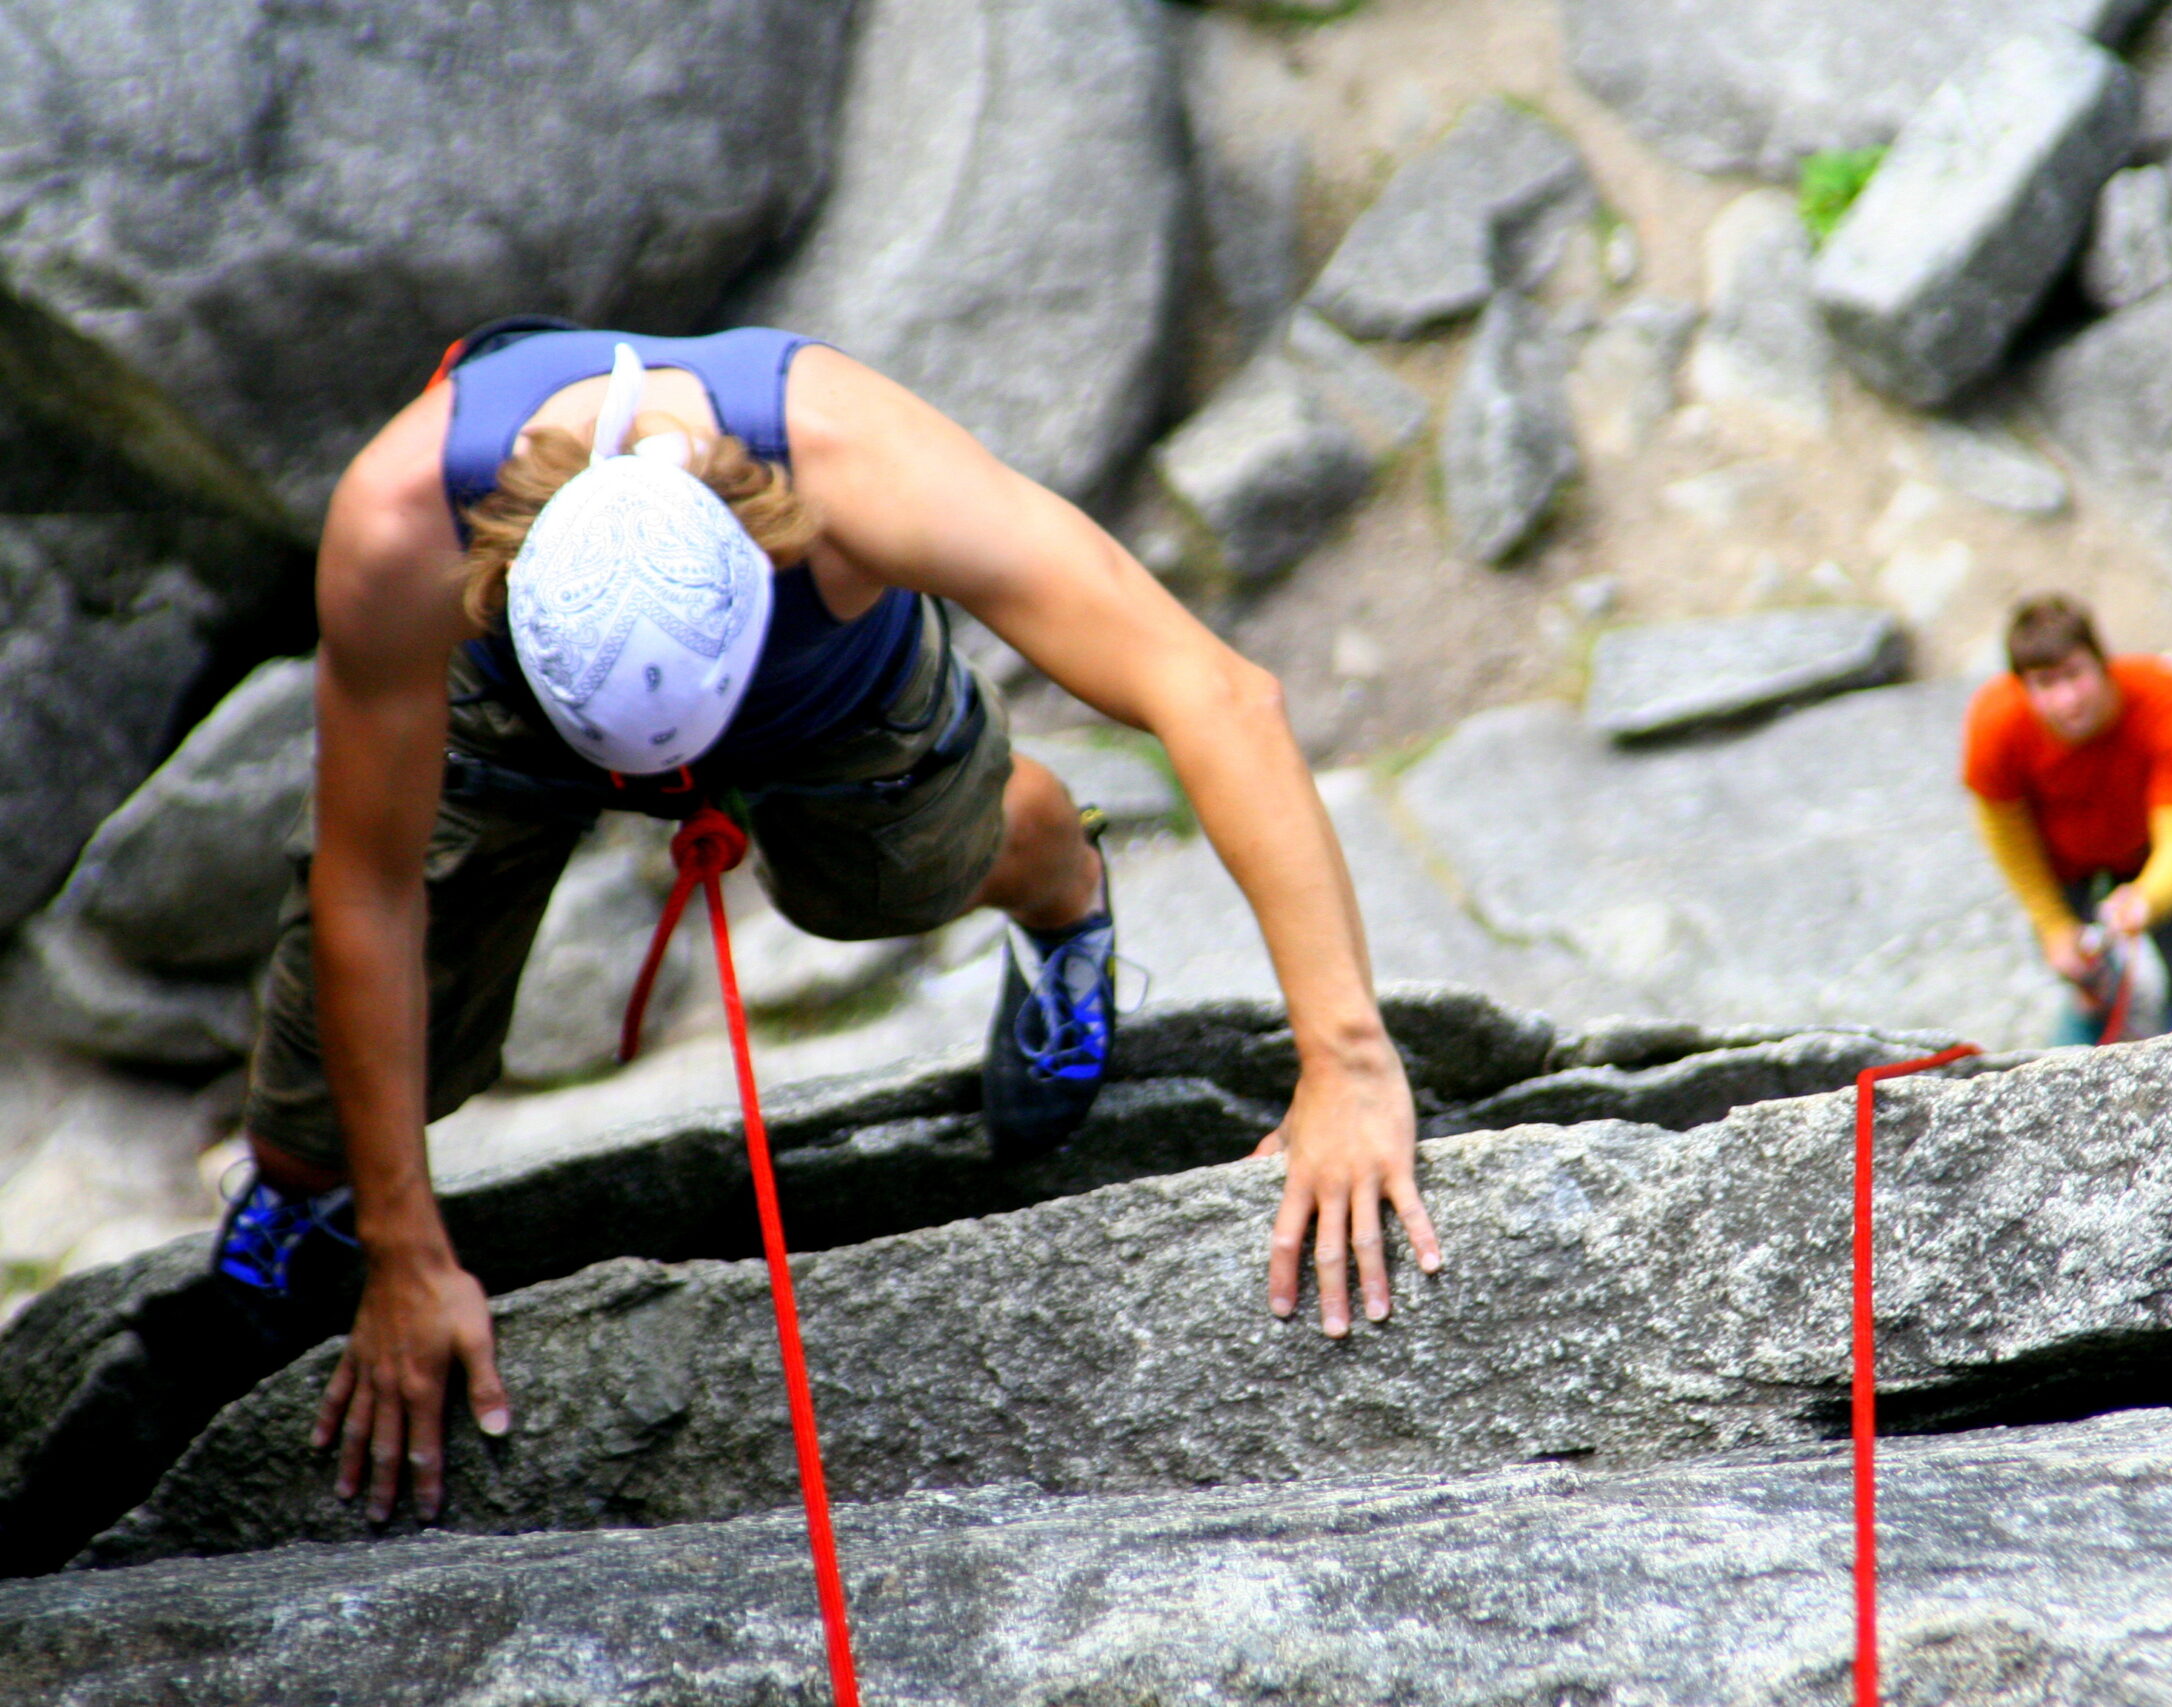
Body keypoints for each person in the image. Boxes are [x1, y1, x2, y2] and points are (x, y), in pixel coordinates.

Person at [212, 321, 1440, 1525]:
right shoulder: (402, 528)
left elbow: (1215, 691)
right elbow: (370, 889)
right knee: (324, 1092)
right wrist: (403, 1247)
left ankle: (1058, 886)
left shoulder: (856, 466)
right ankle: (311, 1183)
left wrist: (1346, 1060)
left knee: (893, 881)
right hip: (505, 717)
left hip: (822, 682)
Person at [1963, 594, 2172, 1044]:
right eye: (2046, 683)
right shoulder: (1995, 725)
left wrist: (2148, 898)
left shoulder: (2168, 699)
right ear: (2021, 687)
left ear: (2102, 663)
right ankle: (2091, 1022)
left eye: (2074, 674)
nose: (2067, 699)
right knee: (2080, 975)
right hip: (2061, 861)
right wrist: (2053, 926)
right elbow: (2006, 834)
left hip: (2152, 852)